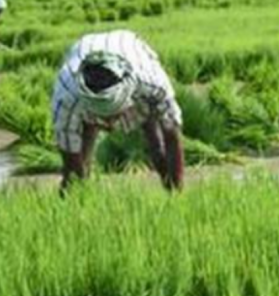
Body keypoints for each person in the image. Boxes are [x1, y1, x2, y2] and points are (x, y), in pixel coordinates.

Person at [51, 30, 184, 191]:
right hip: (83, 54)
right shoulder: (67, 97)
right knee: (80, 163)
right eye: (103, 117)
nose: (110, 125)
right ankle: (72, 206)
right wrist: (78, 191)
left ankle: (171, 190)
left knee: (156, 141)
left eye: (114, 115)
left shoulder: (151, 82)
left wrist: (177, 191)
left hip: (129, 47)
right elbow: (70, 163)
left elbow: (172, 136)